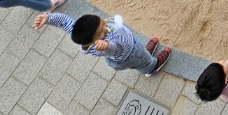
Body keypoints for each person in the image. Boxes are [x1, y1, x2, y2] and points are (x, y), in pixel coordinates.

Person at [35, 12, 171, 77]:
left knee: (141, 53)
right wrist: (107, 46)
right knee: (143, 60)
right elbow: (118, 51)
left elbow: (65, 21)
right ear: (94, 42)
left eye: (103, 22)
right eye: (102, 30)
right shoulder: (101, 47)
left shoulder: (82, 34)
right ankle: (151, 67)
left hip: (132, 46)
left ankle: (145, 56)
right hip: (130, 54)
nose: (106, 26)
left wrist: (48, 18)